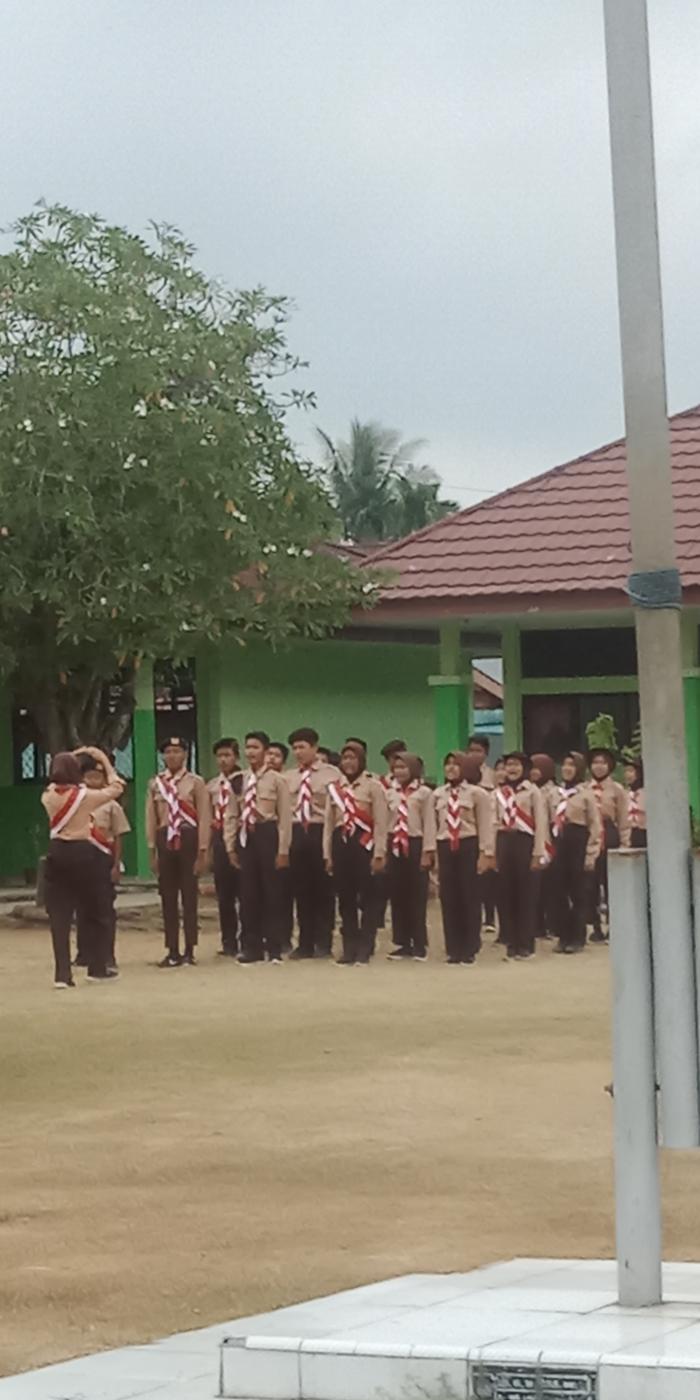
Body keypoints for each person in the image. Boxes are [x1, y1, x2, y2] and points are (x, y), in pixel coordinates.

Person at [41, 747, 125, 987]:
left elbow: (58, 777)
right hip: (83, 853)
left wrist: (70, 755)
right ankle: (97, 968)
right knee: (95, 909)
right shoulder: (85, 796)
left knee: (59, 917)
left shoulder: (47, 795)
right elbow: (117, 787)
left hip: (56, 851)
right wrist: (102, 760)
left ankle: (62, 975)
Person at [224, 730, 292, 964]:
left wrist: (283, 849)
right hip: (246, 836)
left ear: (265, 751)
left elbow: (284, 817)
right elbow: (231, 814)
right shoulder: (239, 780)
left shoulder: (277, 780)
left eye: (255, 747)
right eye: (248, 747)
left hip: (267, 833)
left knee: (272, 893)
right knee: (248, 893)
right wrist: (230, 846)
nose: (251, 752)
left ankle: (274, 946)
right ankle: (250, 946)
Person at [146, 736, 211, 968]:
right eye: (168, 752)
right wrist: (151, 848)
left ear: (185, 754)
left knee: (189, 895)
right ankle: (171, 949)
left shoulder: (196, 782)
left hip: (189, 837)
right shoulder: (156, 783)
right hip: (166, 838)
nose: (172, 755)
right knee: (168, 896)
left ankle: (189, 949)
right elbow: (151, 817)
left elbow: (204, 816)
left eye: (177, 751)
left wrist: (203, 850)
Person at [323, 741, 388, 965]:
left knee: (368, 898)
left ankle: (366, 945)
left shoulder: (373, 787)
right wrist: (327, 855)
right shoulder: (335, 789)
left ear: (362, 761)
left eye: (353, 758)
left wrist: (379, 852)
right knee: (346, 898)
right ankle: (349, 946)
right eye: (345, 758)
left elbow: (381, 822)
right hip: (342, 844)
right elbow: (328, 824)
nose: (349, 763)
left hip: (365, 845)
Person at [433, 752, 495, 965]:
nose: (451, 768)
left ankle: (469, 947)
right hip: (446, 846)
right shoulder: (438, 795)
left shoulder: (477, 794)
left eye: (456, 764)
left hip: (469, 845)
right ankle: (453, 948)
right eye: (447, 764)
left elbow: (485, 825)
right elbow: (434, 826)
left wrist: (486, 853)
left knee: (469, 897)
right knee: (449, 898)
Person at [285, 727, 341, 958]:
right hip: (297, 831)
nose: (298, 752)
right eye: (295, 748)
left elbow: (337, 809)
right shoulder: (287, 777)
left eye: (302, 747)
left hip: (320, 830)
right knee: (301, 890)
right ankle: (305, 942)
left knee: (324, 890)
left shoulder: (332, 774)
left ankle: (324, 941)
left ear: (315, 748)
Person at [75, 754, 131, 972]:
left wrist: (116, 865)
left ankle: (107, 955)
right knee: (82, 909)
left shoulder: (111, 806)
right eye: (88, 776)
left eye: (97, 776)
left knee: (104, 910)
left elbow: (118, 836)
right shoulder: (76, 803)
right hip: (81, 859)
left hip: (103, 858)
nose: (92, 780)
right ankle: (84, 953)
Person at [494, 751, 548, 960]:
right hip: (504, 842)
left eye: (516, 765)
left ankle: (526, 944)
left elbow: (541, 823)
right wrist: (491, 851)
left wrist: (538, 852)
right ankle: (511, 942)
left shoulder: (532, 792)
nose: (512, 769)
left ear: (524, 768)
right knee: (506, 894)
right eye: (509, 765)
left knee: (527, 895)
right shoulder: (499, 792)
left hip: (526, 843)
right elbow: (493, 821)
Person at [547, 751, 601, 954]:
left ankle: (578, 937)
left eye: (572, 765)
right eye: (565, 765)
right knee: (558, 892)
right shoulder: (554, 793)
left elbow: (595, 825)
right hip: (558, 842)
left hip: (578, 842)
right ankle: (563, 936)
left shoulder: (585, 794)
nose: (568, 769)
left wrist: (591, 853)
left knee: (578, 893)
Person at [386, 752, 436, 961]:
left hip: (416, 843)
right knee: (398, 896)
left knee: (417, 896)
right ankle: (403, 942)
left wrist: (427, 851)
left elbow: (430, 823)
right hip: (395, 843)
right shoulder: (389, 793)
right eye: (396, 767)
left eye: (404, 767)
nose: (399, 771)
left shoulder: (424, 793)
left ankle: (419, 943)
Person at [586, 747, 630, 942]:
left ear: (610, 766)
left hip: (609, 834)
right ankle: (595, 926)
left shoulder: (617, 789)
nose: (599, 766)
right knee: (591, 884)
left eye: (603, 762)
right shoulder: (584, 788)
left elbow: (623, 819)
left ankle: (615, 925)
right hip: (589, 837)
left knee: (611, 883)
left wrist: (624, 843)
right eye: (595, 762)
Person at [207, 737, 241, 958]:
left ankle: (249, 937)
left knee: (247, 893)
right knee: (225, 894)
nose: (223, 760)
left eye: (228, 755)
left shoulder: (246, 781)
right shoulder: (211, 786)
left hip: (242, 837)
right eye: (220, 756)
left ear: (236, 757)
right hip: (219, 838)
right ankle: (228, 940)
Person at [529, 753, 558, 940]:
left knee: (550, 887)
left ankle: (551, 924)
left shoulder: (553, 792)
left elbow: (555, 819)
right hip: (531, 842)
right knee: (534, 887)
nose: (534, 773)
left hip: (549, 842)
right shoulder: (528, 790)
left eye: (538, 768)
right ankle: (536, 925)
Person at [266, 742, 292, 947]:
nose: (271, 758)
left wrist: (284, 848)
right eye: (269, 754)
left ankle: (283, 937)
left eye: (276, 755)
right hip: (260, 840)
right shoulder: (250, 780)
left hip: (284, 838)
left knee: (283, 891)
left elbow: (285, 816)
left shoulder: (287, 780)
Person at [623, 756, 646, 848]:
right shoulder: (624, 793)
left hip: (645, 834)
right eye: (626, 771)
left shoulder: (648, 793)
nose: (627, 775)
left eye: (631, 771)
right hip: (629, 835)